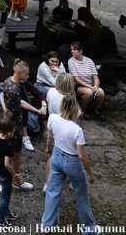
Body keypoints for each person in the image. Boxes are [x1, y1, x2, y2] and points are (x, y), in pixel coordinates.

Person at [41, 96, 98, 232]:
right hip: (72, 162)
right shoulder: (77, 130)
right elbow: (82, 157)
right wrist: (90, 174)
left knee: (52, 192)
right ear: (74, 109)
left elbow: (50, 137)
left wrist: (49, 148)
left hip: (56, 156)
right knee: (81, 195)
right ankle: (89, 228)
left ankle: (47, 225)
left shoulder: (53, 118)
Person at [0, 59, 40, 193]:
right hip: (13, 129)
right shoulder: (14, 90)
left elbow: (3, 97)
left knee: (14, 154)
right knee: (13, 155)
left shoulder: (8, 80)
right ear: (19, 72)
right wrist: (5, 134)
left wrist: (4, 109)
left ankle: (15, 180)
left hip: (11, 128)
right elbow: (13, 108)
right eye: (26, 74)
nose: (28, 77)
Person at [68, 41, 106, 121]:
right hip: (79, 86)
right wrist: (92, 88)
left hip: (91, 84)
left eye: (74, 49)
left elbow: (95, 77)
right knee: (89, 93)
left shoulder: (89, 61)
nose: (72, 51)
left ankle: (97, 109)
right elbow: (77, 80)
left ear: (81, 51)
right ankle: (83, 108)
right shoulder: (71, 61)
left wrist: (96, 86)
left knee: (101, 92)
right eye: (71, 49)